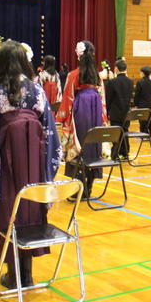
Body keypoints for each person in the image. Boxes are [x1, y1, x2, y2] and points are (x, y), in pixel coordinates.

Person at [0, 41, 60, 290]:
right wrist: (47, 166)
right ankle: (28, 274)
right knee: (30, 207)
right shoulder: (37, 91)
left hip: (6, 161)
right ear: (25, 62)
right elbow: (50, 132)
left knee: (9, 207)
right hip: (34, 161)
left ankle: (14, 276)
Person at [56, 41, 108, 198]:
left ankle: (79, 188)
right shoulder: (97, 75)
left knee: (80, 143)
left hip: (81, 108)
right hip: (96, 108)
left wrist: (62, 117)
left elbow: (68, 97)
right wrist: (103, 117)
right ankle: (89, 185)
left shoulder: (73, 75)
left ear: (79, 55)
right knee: (93, 143)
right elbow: (102, 97)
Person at [105, 59, 133, 158]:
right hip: (126, 112)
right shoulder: (130, 82)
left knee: (115, 132)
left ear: (116, 69)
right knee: (125, 131)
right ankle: (125, 152)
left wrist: (107, 112)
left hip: (115, 112)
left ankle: (115, 153)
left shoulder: (112, 82)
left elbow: (108, 99)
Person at [133, 65, 151, 135]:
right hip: (150, 104)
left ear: (143, 73)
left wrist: (135, 104)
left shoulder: (139, 82)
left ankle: (143, 135)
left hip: (141, 105)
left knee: (142, 120)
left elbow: (137, 95)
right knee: (149, 120)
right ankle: (150, 135)